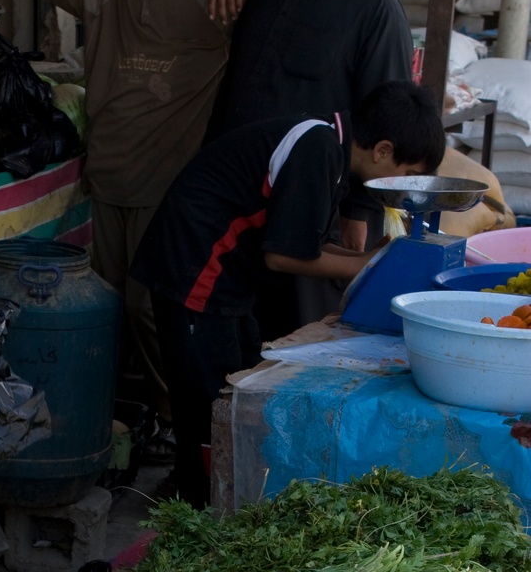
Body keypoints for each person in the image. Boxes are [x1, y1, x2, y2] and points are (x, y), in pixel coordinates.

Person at [29, 0, 273, 450]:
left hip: (175, 174)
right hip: (111, 163)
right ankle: (114, 415)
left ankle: (179, 421)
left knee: (150, 307)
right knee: (110, 304)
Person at [130, 82, 446, 509]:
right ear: (383, 150)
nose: (405, 188)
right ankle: (196, 505)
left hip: (229, 280)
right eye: (408, 173)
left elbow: (305, 245)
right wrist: (369, 265)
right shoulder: (316, 148)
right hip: (196, 273)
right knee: (207, 402)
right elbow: (283, 256)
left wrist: (372, 258)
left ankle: (225, 493)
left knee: (239, 386)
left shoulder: (330, 146)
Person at [206, 0, 413, 268]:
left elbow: (385, 120)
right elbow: (233, 89)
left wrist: (361, 210)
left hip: (312, 205)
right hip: (236, 197)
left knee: (300, 324)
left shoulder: (374, 8)